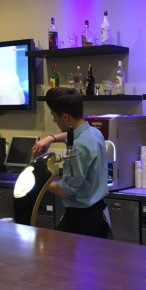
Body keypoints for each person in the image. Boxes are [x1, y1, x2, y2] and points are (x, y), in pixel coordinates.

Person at [32, 87, 112, 239]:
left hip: (81, 220)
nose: (54, 120)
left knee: (54, 252)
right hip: (98, 213)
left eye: (54, 116)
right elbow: (72, 135)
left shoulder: (79, 147)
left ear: (65, 117)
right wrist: (51, 138)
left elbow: (65, 190)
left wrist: (38, 180)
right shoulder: (94, 132)